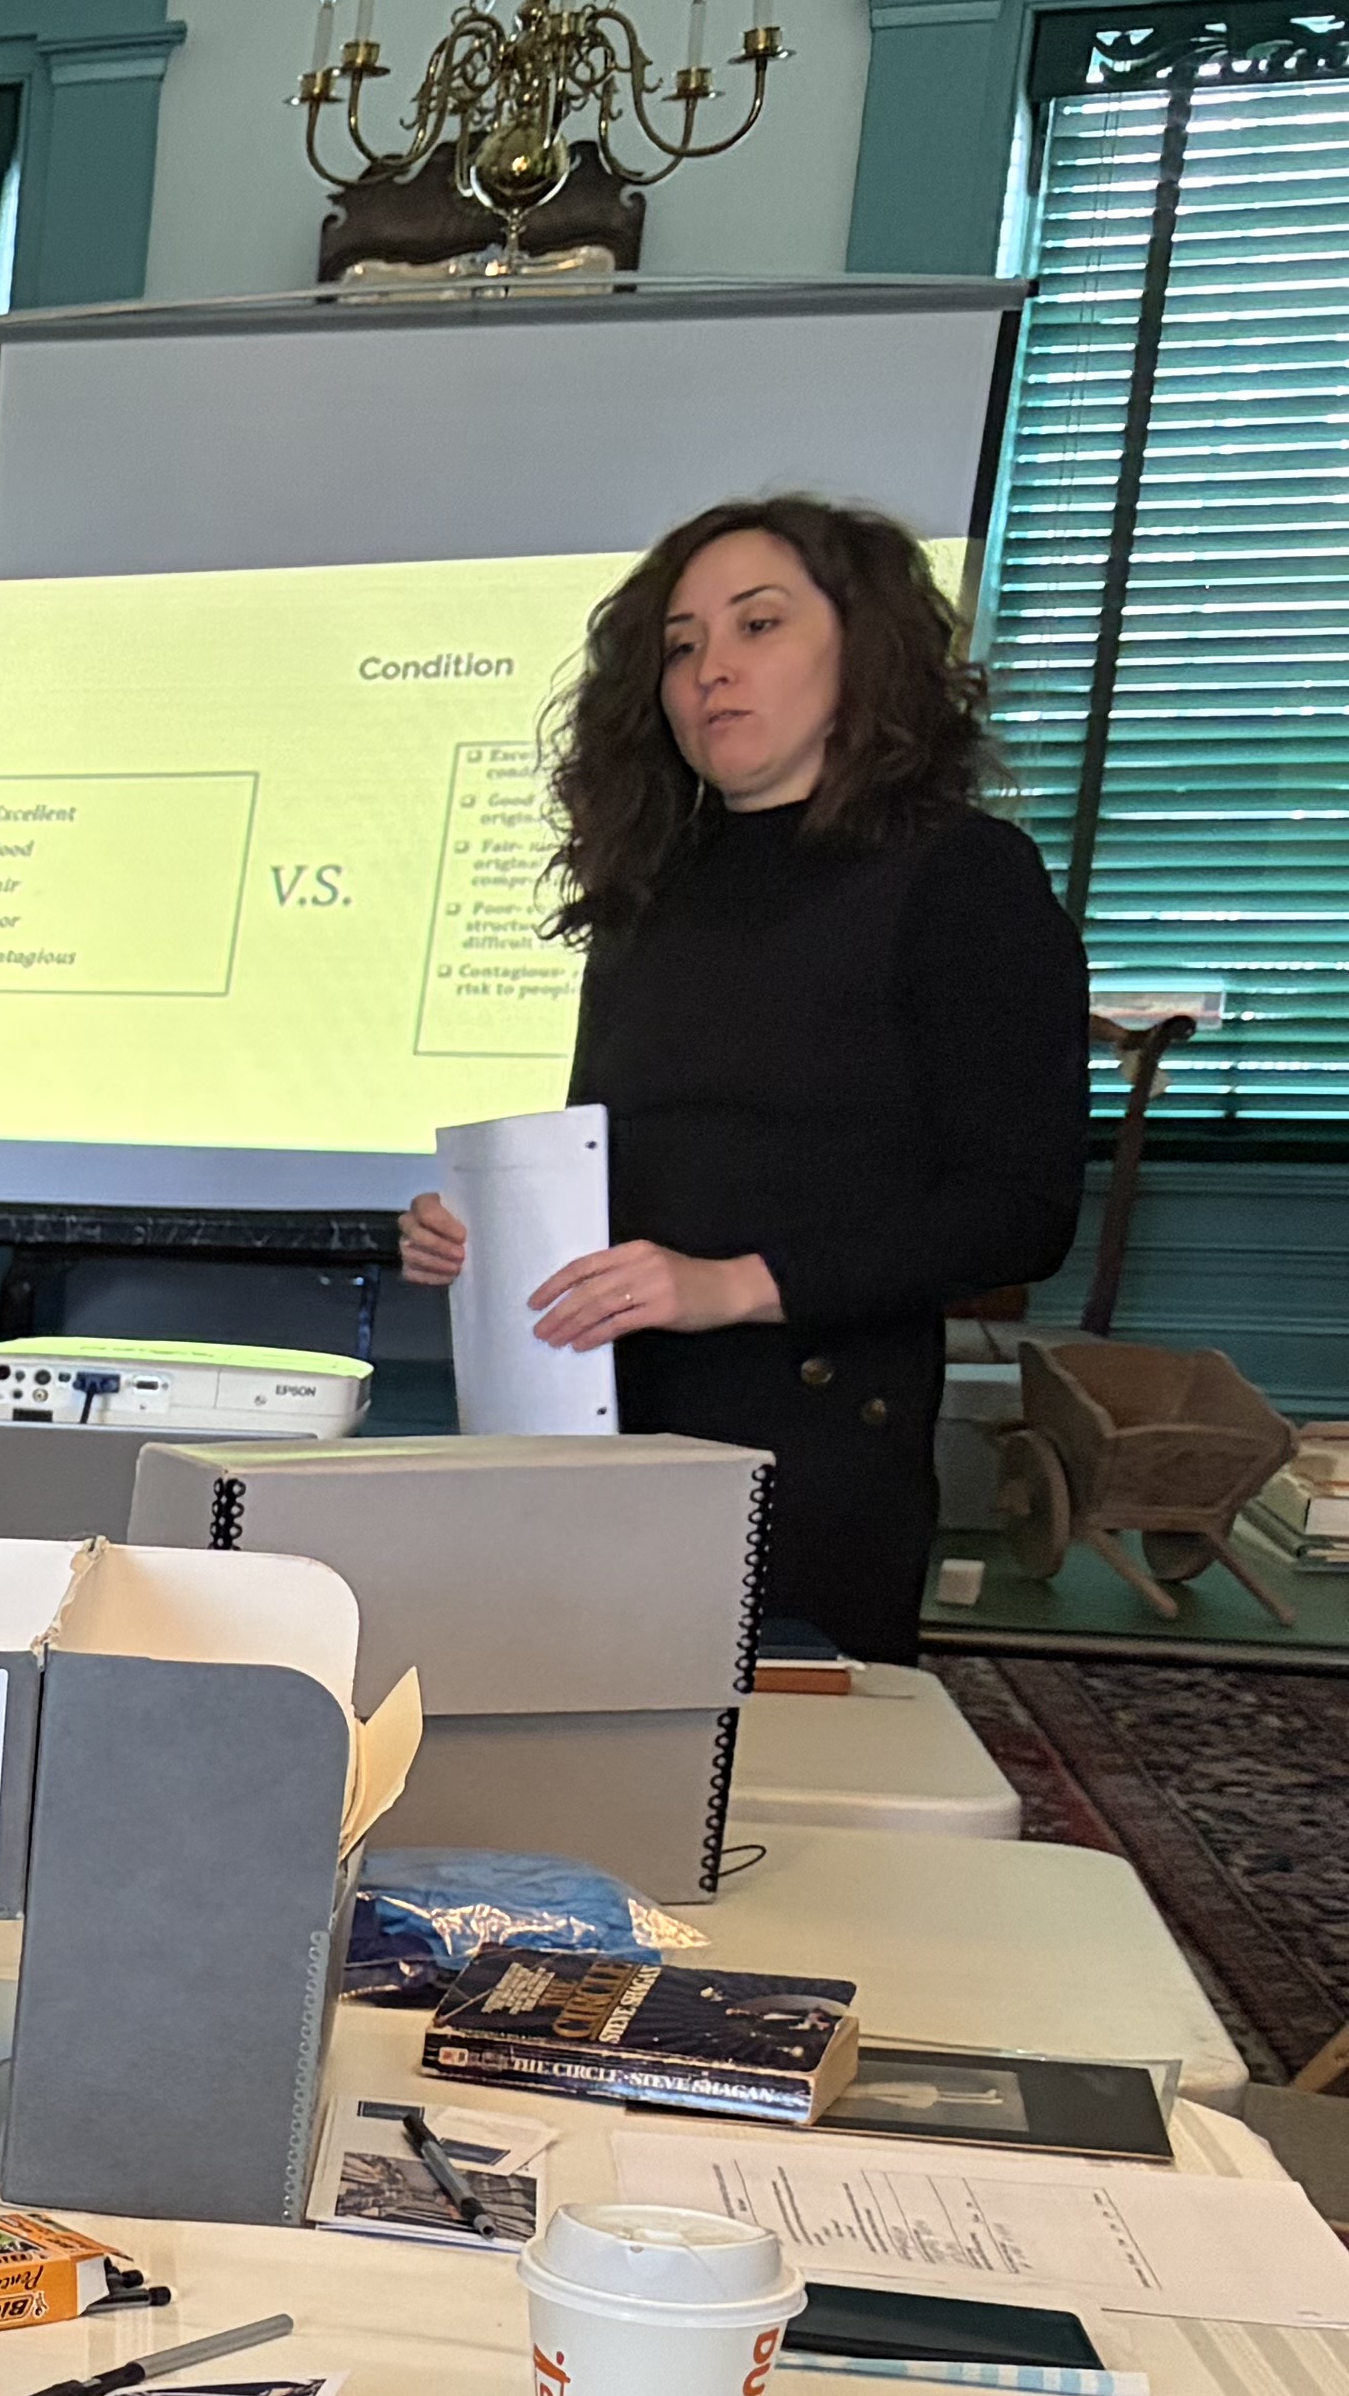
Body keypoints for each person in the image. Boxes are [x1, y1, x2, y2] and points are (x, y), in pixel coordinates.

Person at [402, 497, 1087, 1666]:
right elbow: (615, 1162)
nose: (712, 670)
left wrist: (732, 1286)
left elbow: (1018, 1212)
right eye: (680, 646)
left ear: (860, 649)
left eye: (758, 626)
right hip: (607, 1438)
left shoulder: (963, 877)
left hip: (814, 1460)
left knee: (770, 1825)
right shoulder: (652, 887)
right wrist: (489, 1237)